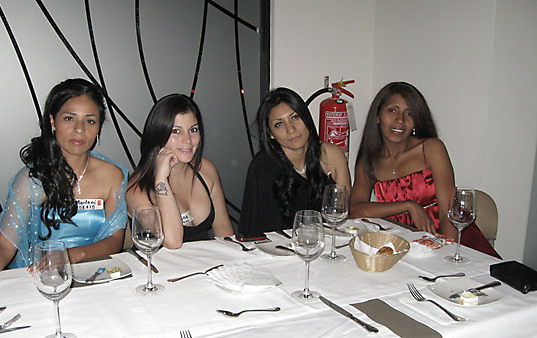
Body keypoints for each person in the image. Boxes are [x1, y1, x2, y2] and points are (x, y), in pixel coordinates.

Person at [0, 78, 128, 295]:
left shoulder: (112, 175)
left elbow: (114, 240)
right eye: (69, 118)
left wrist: (70, 256)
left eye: (90, 121)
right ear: (52, 121)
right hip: (41, 281)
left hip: (96, 278)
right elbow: (3, 246)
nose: (79, 129)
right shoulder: (31, 179)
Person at [349, 81, 499, 257]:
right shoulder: (369, 160)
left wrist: (446, 253)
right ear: (378, 116)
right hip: (404, 244)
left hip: (450, 242)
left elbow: (447, 213)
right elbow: (354, 211)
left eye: (409, 113)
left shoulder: (431, 149)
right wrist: (408, 206)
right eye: (392, 110)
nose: (400, 120)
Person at [239, 87, 351, 236]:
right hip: (278, 247)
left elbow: (342, 216)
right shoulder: (263, 165)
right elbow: (257, 230)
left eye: (295, 117)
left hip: (325, 243)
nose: (290, 129)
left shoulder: (333, 155)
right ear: (270, 134)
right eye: (279, 124)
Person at [126, 94, 233, 249]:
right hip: (159, 264)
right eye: (176, 131)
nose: (187, 140)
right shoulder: (137, 189)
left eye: (193, 130)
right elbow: (172, 241)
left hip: (206, 262)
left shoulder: (205, 169)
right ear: (158, 134)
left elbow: (224, 233)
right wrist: (161, 179)